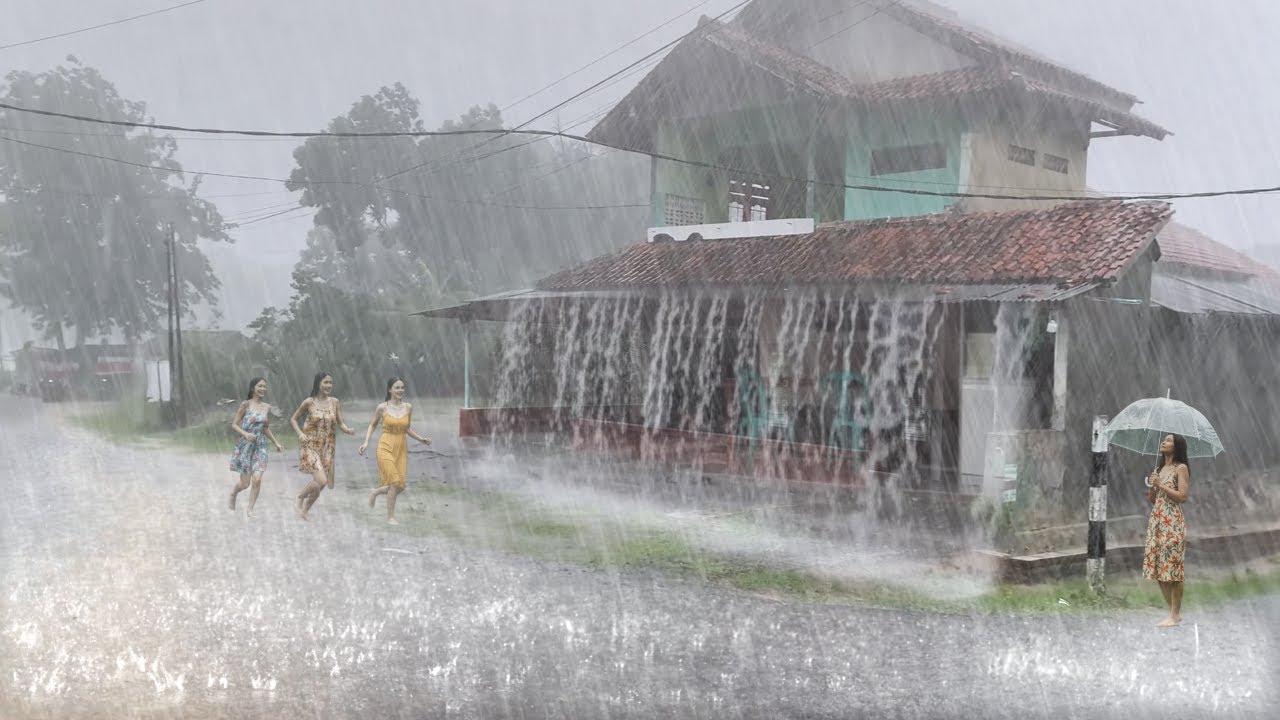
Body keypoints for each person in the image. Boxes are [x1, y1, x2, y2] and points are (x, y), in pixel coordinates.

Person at [359, 377, 432, 525]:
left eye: (402, 387)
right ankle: (390, 518)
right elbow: (372, 425)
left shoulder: (408, 407)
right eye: (397, 387)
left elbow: (407, 429)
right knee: (394, 482)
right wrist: (366, 442)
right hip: (385, 446)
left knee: (400, 485)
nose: (400, 390)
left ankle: (375, 492)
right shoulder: (382, 408)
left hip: (401, 447)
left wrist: (421, 439)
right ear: (390, 390)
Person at [290, 371, 355, 520]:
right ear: (318, 384)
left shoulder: (335, 402)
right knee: (321, 480)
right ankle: (300, 497)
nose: (328, 385)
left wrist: (347, 430)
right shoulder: (309, 402)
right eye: (325, 382)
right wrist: (300, 433)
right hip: (310, 444)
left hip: (327, 447)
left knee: (321, 484)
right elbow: (293, 419)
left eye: (330, 383)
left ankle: (305, 510)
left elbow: (340, 422)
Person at [1143, 433, 1191, 627]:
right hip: (1157, 522)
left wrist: (1161, 485)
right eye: (1164, 440)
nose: (1163, 442)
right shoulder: (1159, 468)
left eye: (1168, 440)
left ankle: (1174, 615)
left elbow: (1182, 496)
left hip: (1172, 523)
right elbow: (1153, 500)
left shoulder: (1181, 468)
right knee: (1159, 569)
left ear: (1176, 446)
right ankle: (1174, 613)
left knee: (1173, 569)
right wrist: (1153, 486)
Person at [228, 377, 284, 517]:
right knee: (245, 484)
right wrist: (245, 434)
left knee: (257, 479)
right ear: (253, 388)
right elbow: (234, 424)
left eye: (265, 386)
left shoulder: (267, 407)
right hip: (245, 446)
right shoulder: (245, 405)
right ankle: (233, 493)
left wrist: (276, 442)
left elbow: (265, 428)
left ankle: (250, 509)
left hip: (260, 446)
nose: (263, 389)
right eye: (260, 386)